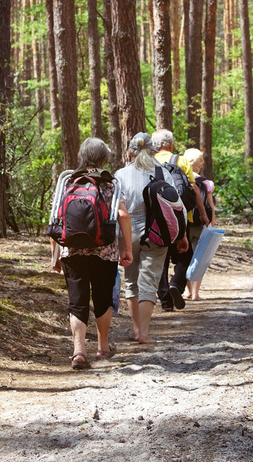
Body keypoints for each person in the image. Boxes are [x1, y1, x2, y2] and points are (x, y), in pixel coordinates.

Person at [60, 138, 133, 370]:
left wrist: (56, 254)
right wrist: (127, 249)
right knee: (102, 299)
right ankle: (102, 347)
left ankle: (79, 351)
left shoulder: (68, 180)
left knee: (77, 301)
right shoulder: (110, 183)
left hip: (71, 249)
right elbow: (122, 215)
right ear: (104, 158)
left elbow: (57, 217)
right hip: (105, 250)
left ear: (82, 156)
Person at [114, 132, 189, 343]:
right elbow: (178, 207)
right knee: (149, 281)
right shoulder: (162, 173)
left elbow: (115, 210)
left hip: (127, 235)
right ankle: (143, 334)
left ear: (130, 152)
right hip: (158, 234)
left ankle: (136, 329)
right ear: (152, 152)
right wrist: (181, 235)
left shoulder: (119, 175)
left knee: (132, 281)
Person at [152, 129, 210, 312]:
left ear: (155, 145)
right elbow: (193, 188)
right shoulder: (180, 160)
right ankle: (176, 285)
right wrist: (203, 213)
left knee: (161, 258)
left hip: (155, 220)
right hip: (180, 217)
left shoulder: (149, 161)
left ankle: (165, 301)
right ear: (170, 144)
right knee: (185, 255)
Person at [184, 148, 217, 301]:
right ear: (199, 165)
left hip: (185, 225)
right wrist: (212, 224)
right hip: (201, 224)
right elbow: (211, 206)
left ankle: (187, 291)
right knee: (200, 257)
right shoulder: (206, 183)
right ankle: (196, 293)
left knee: (185, 256)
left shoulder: (181, 179)